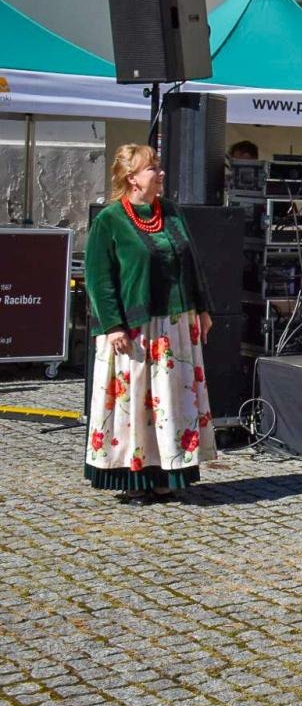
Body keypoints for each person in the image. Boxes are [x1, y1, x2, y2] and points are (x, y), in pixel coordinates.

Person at [83, 144, 215, 504]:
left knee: (171, 401)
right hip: (136, 326)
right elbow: (99, 278)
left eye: (158, 166)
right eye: (151, 168)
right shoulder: (109, 220)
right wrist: (112, 326)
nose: (159, 173)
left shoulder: (170, 212)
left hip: (175, 324)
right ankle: (134, 477)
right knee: (137, 402)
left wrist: (202, 308)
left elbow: (192, 263)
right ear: (132, 179)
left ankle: (165, 474)